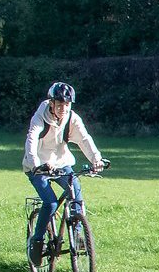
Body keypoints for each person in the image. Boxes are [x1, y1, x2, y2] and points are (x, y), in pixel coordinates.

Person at [23, 82, 106, 261]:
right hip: (38, 166)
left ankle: (77, 235)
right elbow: (31, 139)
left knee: (75, 192)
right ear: (51, 103)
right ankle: (37, 242)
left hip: (61, 163)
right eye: (59, 105)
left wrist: (96, 159)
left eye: (67, 105)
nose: (63, 109)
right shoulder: (40, 116)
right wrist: (36, 164)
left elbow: (84, 139)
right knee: (51, 203)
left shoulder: (72, 118)